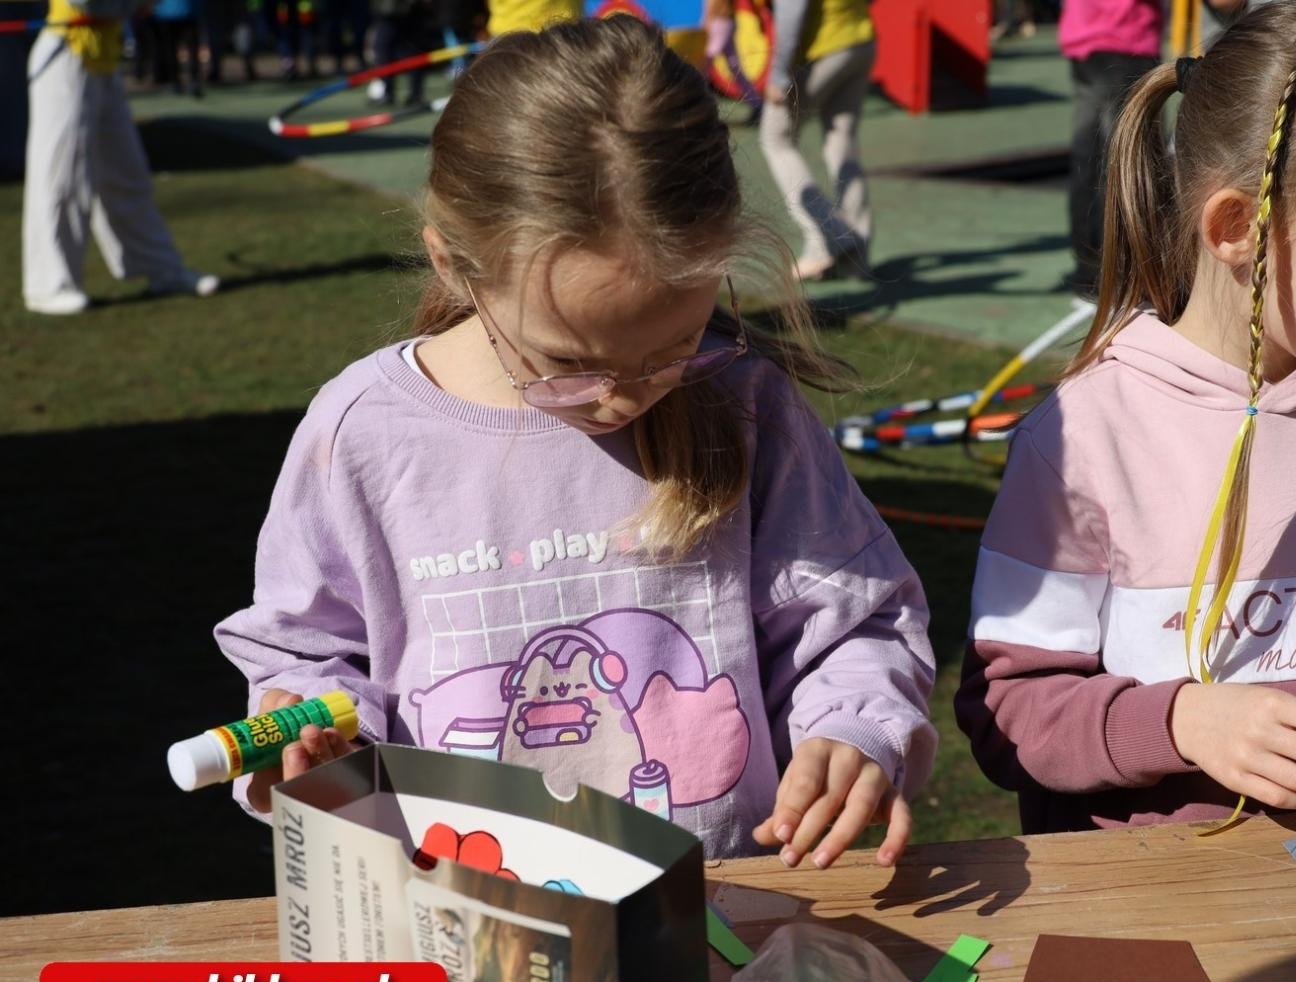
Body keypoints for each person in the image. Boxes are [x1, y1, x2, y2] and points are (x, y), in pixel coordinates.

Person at [216, 19, 938, 870]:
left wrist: (856, 726)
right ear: (453, 263)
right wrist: (318, 740)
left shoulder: (743, 402)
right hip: (462, 921)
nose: (626, 397)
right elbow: (306, 652)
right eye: (567, 364)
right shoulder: (364, 433)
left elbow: (856, 619)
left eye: (673, 345)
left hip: (720, 918)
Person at [956, 0, 1296, 836]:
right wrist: (1181, 721)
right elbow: (1013, 708)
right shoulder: (1084, 438)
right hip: (1135, 915)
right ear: (1239, 228)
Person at [22, 0, 220, 315]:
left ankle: (161, 268)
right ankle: (49, 284)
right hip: (66, 51)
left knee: (127, 174)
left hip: (104, 55)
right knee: (62, 176)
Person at [759, 0, 875, 282]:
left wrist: (778, 74)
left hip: (825, 47)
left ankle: (824, 238)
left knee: (776, 138)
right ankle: (855, 254)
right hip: (860, 38)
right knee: (841, 143)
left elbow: (792, 8)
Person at [1057, 0, 1162, 297]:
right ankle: (1116, 271)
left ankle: (1088, 267)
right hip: (1125, 39)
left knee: (1089, 158)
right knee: (1126, 162)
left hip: (1084, 39)